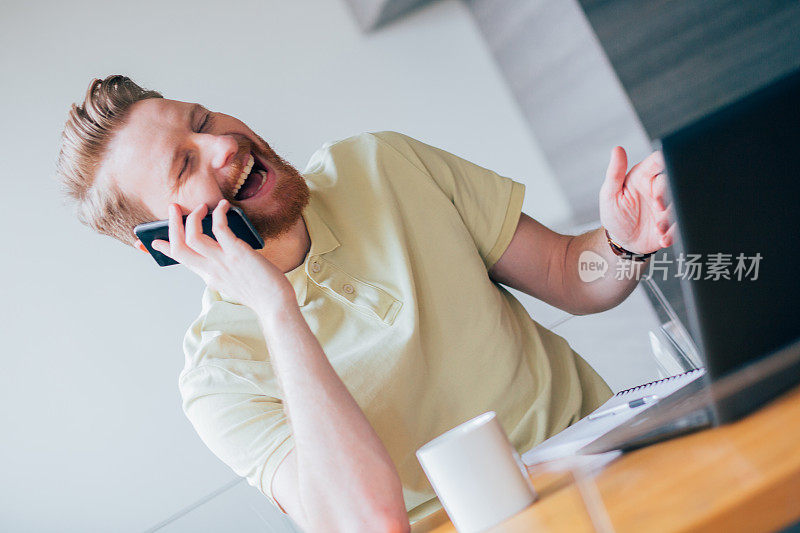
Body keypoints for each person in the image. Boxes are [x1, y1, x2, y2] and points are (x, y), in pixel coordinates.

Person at [56, 75, 674, 532]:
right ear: (164, 242)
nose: (222, 144)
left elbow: (567, 272)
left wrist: (623, 240)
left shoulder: (381, 163)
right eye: (184, 163)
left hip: (619, 472)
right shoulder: (220, 380)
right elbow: (370, 521)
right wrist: (275, 307)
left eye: (201, 118)